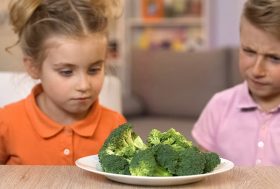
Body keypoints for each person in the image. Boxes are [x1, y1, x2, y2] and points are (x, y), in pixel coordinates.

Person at [0, 0, 126, 165]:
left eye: (94, 70)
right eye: (66, 72)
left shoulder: (115, 125)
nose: (84, 85)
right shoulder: (6, 122)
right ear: (33, 67)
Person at [192, 0, 280, 166]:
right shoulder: (219, 106)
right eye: (249, 51)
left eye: (275, 58)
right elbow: (201, 173)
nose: (257, 70)